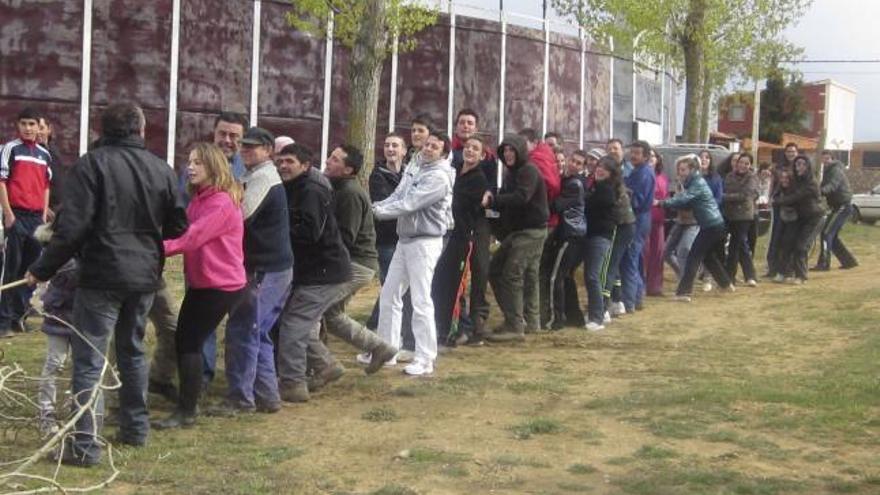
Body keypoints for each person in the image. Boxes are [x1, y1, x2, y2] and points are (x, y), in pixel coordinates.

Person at [27, 103, 188, 465]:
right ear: (140, 130)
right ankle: (135, 429)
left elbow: (72, 227)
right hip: (144, 275)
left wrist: (42, 268)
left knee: (89, 359)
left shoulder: (92, 165)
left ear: (104, 129)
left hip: (103, 274)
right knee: (131, 352)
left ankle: (85, 447)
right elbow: (179, 224)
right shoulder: (160, 169)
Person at [153, 143, 246, 430]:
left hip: (220, 285)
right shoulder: (199, 199)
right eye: (189, 161)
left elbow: (191, 238)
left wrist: (153, 249)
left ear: (214, 167)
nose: (190, 167)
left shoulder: (220, 203)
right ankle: (186, 403)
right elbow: (182, 228)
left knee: (189, 343)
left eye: (198, 163)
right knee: (185, 341)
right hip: (203, 282)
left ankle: (187, 410)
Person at [218, 127, 293, 415]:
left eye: (253, 147)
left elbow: (241, 214)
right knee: (257, 332)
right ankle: (267, 396)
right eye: (243, 146)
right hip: (271, 267)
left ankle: (240, 399)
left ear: (268, 151)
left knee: (243, 331)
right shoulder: (253, 175)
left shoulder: (263, 177)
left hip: (266, 270)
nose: (245, 150)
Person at [275, 143, 353, 402]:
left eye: (290, 162)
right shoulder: (292, 186)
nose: (284, 166)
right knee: (297, 322)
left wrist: (273, 232)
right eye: (281, 161)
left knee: (294, 324)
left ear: (305, 165)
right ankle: (326, 366)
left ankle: (293, 384)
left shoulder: (312, 190)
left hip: (325, 271)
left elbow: (310, 232)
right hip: (314, 270)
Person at [372, 131, 454, 376]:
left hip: (425, 242)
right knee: (389, 294)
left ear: (444, 153)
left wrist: (375, 213)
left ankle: (425, 358)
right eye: (427, 145)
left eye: (434, 147)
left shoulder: (439, 177)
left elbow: (410, 204)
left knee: (420, 300)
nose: (427, 149)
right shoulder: (415, 167)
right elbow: (399, 195)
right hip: (405, 239)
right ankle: (388, 350)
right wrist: (377, 206)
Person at [317, 144, 398, 385]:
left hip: (356, 264)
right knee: (331, 315)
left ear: (348, 169)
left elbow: (345, 237)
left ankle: (321, 365)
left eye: (334, 159)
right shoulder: (339, 187)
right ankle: (379, 347)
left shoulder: (350, 193)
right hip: (354, 262)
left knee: (314, 309)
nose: (328, 161)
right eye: (330, 156)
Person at [484, 134, 548, 342]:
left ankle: (515, 325)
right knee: (521, 274)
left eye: (512, 150)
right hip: (521, 231)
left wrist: (494, 200)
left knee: (512, 273)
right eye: (505, 151)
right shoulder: (513, 172)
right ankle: (529, 322)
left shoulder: (528, 170)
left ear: (521, 151)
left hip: (531, 231)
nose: (508, 154)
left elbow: (522, 198)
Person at [431, 135, 489, 345]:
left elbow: (460, 204)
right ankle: (442, 327)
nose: (470, 151)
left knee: (456, 286)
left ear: (482, 155)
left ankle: (457, 330)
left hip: (463, 238)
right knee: (440, 282)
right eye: (467, 147)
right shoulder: (454, 172)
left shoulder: (479, 179)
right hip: (446, 235)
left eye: (475, 148)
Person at [0, 107, 52, 337]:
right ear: (18, 125)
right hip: (16, 215)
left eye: (32, 124)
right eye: (24, 124)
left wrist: (42, 215)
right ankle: (2, 321)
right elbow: (2, 181)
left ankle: (18, 317)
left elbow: (46, 186)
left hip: (35, 219)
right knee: (10, 268)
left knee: (31, 269)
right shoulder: (10, 149)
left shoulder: (44, 154)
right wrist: (8, 213)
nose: (29, 128)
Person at [657, 155, 734, 302]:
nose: (680, 173)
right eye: (679, 170)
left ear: (693, 169)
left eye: (683, 170)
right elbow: (685, 203)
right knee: (708, 256)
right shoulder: (693, 183)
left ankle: (684, 292)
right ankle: (726, 284)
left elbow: (685, 199)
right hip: (712, 225)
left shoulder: (697, 183)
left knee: (694, 256)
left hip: (712, 225)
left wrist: (661, 203)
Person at [366, 132, 415, 354]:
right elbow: (384, 204)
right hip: (387, 240)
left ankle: (374, 326)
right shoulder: (378, 175)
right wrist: (408, 204)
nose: (390, 149)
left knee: (397, 288)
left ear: (404, 151)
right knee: (391, 287)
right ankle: (385, 334)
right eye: (387, 145)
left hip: (406, 238)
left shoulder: (410, 173)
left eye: (395, 145)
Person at [449, 109, 496, 337]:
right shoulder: (451, 154)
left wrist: (488, 196)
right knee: (457, 273)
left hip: (478, 222)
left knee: (479, 268)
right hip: (457, 224)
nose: (466, 126)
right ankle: (461, 320)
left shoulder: (488, 159)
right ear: (456, 126)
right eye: (462, 123)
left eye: (470, 122)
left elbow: (491, 189)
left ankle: (478, 321)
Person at [34, 219, 76, 437]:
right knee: (55, 362)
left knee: (81, 366)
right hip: (59, 315)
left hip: (83, 316)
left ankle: (74, 409)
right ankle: (46, 412)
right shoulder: (53, 252)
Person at [519, 128, 561, 332]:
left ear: (533, 142)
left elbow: (550, 185)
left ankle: (532, 317)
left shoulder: (536, 160)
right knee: (533, 270)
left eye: (522, 142)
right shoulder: (544, 156)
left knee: (529, 270)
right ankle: (535, 318)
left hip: (539, 220)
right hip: (546, 219)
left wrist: (539, 197)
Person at [546, 149, 587, 330]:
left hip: (571, 235)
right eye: (573, 161)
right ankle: (574, 316)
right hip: (570, 234)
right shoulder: (566, 180)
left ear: (582, 167)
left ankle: (557, 318)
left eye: (579, 163)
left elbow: (557, 205)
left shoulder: (574, 184)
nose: (574, 165)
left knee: (556, 277)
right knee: (567, 277)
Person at [774, 156, 825, 283]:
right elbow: (785, 189)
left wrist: (778, 201)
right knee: (787, 243)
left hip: (814, 218)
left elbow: (796, 197)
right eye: (797, 164)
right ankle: (783, 272)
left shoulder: (812, 182)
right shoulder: (795, 181)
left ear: (808, 166)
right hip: (799, 217)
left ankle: (801, 276)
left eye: (802, 164)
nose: (799, 167)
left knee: (801, 246)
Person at [583, 157, 620, 331]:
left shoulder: (605, 190)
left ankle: (597, 317)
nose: (599, 170)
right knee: (591, 276)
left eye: (604, 168)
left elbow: (590, 204)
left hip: (600, 237)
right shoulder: (596, 187)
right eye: (599, 166)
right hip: (592, 235)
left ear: (611, 173)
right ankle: (595, 313)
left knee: (593, 276)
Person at [620, 141, 655, 311]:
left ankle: (630, 301)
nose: (633, 156)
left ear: (646, 156)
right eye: (631, 152)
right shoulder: (637, 171)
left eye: (637, 153)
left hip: (638, 219)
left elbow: (637, 200)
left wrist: (623, 190)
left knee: (630, 259)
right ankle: (636, 298)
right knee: (636, 259)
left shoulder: (643, 173)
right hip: (641, 219)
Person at [813, 150, 858, 270]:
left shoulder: (836, 170)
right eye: (823, 159)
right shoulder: (828, 171)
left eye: (827, 159)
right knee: (832, 235)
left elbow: (832, 186)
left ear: (832, 159)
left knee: (826, 233)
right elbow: (822, 187)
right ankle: (849, 261)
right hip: (837, 207)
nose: (825, 161)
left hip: (843, 206)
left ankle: (824, 263)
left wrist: (820, 191)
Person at [723, 152, 759, 286]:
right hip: (729, 215)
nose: (742, 165)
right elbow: (727, 189)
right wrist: (731, 196)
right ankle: (750, 275)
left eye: (746, 163)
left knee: (735, 245)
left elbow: (745, 195)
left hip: (744, 216)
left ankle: (729, 277)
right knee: (742, 245)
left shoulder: (752, 178)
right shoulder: (729, 176)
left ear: (750, 165)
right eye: (740, 162)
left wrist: (726, 197)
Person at [765, 142, 799, 278]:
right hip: (778, 204)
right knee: (776, 237)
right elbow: (773, 184)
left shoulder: (800, 167)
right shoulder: (778, 167)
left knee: (789, 238)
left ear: (797, 152)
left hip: (793, 206)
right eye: (788, 151)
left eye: (793, 151)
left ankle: (788, 268)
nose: (790, 153)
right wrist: (769, 198)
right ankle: (772, 268)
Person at [698, 149, 724, 292]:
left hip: (709, 218)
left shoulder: (715, 178)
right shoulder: (692, 177)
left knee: (708, 250)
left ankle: (708, 277)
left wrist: (705, 204)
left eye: (707, 157)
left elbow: (719, 198)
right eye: (701, 157)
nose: (704, 160)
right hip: (693, 218)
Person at [644, 150, 668, 296]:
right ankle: (641, 285)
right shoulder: (643, 176)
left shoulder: (663, 178)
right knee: (644, 253)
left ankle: (655, 287)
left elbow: (665, 198)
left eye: (653, 156)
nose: (651, 159)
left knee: (657, 254)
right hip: (645, 219)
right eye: (649, 156)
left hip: (659, 221)